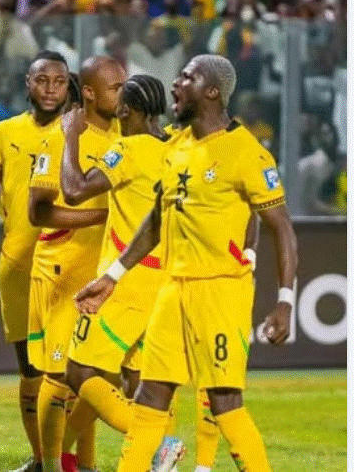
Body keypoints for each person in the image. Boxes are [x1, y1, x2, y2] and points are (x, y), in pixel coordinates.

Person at [75, 55, 298, 472]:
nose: (175, 84)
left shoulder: (245, 152)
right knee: (150, 397)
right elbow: (156, 220)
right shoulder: (176, 146)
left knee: (225, 402)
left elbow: (281, 227)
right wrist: (113, 275)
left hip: (220, 290)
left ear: (212, 91)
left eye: (187, 77)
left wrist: (285, 300)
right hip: (172, 289)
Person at [59, 75, 186, 472]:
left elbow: (74, 190)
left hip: (127, 281)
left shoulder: (128, 149)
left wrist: (70, 136)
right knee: (143, 381)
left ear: (125, 109)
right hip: (166, 281)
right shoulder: (178, 148)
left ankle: (159, 444)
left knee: (79, 371)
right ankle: (69, 456)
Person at [0, 51, 70, 472]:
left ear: (70, 87)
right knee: (30, 369)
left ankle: (69, 457)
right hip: (18, 262)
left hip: (70, 263)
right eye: (42, 80)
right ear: (27, 83)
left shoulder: (81, 132)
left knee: (71, 369)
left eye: (59, 81)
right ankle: (41, 459)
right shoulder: (4, 132)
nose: (50, 89)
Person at [26, 56, 125, 472]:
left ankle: (82, 462)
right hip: (63, 269)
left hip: (104, 274)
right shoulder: (60, 138)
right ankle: (50, 464)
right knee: (59, 374)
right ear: (89, 92)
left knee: (100, 375)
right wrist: (104, 216)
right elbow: (38, 212)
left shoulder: (124, 135)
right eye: (115, 87)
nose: (123, 94)